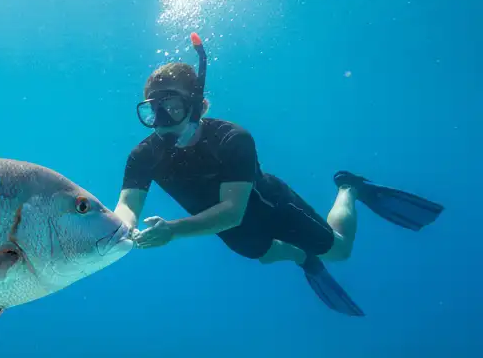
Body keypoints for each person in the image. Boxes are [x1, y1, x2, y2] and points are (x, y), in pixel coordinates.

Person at [114, 34, 443, 315]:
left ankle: (348, 188)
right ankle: (303, 257)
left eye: (171, 107)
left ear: (199, 106)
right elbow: (127, 206)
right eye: (152, 110)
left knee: (341, 251)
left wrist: (171, 231)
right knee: (269, 257)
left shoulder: (233, 139)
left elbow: (232, 211)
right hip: (224, 230)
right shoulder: (144, 155)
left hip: (272, 210)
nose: (162, 120)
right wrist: (119, 229)